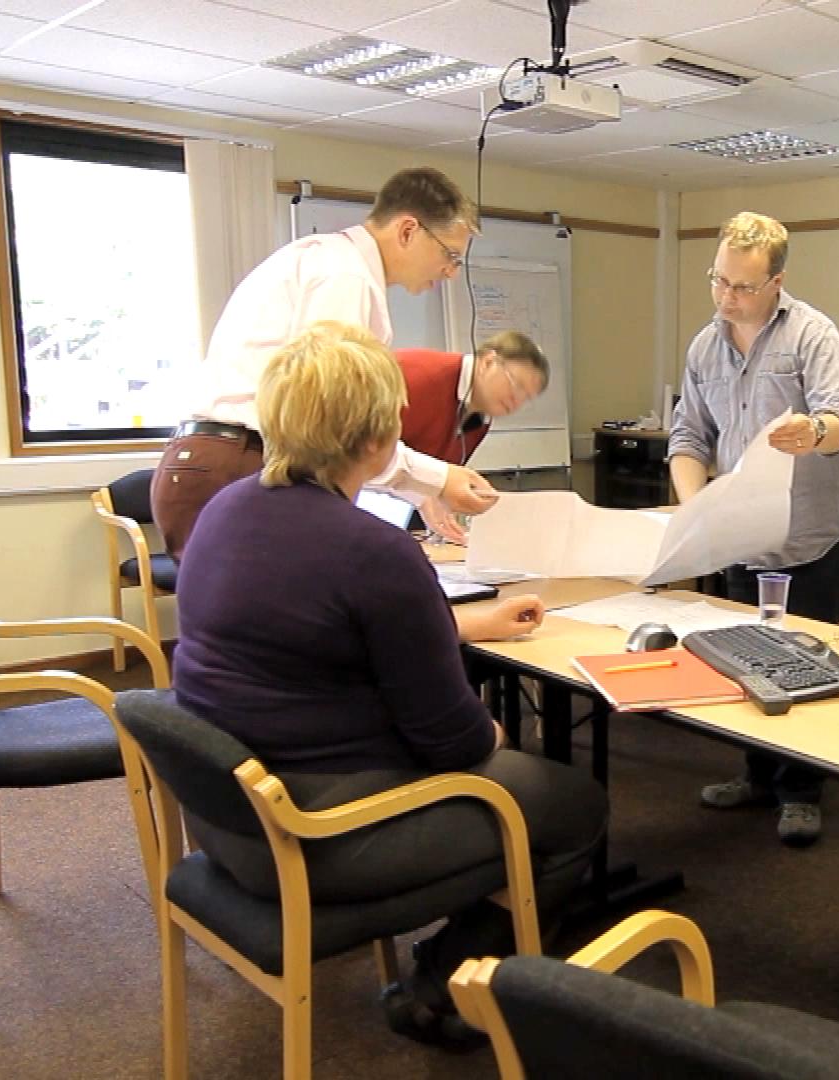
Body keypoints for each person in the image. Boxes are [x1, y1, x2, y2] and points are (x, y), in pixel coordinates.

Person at [171, 322, 607, 1047]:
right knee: (569, 805)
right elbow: (453, 741)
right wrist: (491, 736)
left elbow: (313, 633)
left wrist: (465, 627)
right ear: (377, 442)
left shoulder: (227, 510)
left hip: (225, 812)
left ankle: (461, 963)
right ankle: (439, 987)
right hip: (317, 833)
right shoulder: (373, 551)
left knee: (513, 774)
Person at [151, 166, 499, 558]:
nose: (451, 272)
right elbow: (337, 426)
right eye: (450, 254)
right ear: (407, 231)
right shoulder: (345, 278)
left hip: (216, 461)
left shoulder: (326, 260)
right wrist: (437, 478)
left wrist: (420, 491)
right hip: (242, 463)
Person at [668, 211, 839, 847]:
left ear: (776, 281)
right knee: (741, 664)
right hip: (740, 538)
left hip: (809, 537)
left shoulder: (812, 334)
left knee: (807, 667)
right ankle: (757, 775)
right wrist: (695, 505)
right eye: (718, 281)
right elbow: (687, 435)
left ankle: (802, 789)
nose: (727, 297)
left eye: (742, 287)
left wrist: (814, 432)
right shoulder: (706, 345)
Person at [395, 330, 549, 478]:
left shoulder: (480, 417)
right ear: (488, 362)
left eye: (526, 398)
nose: (517, 402)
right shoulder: (421, 379)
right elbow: (375, 454)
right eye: (517, 386)